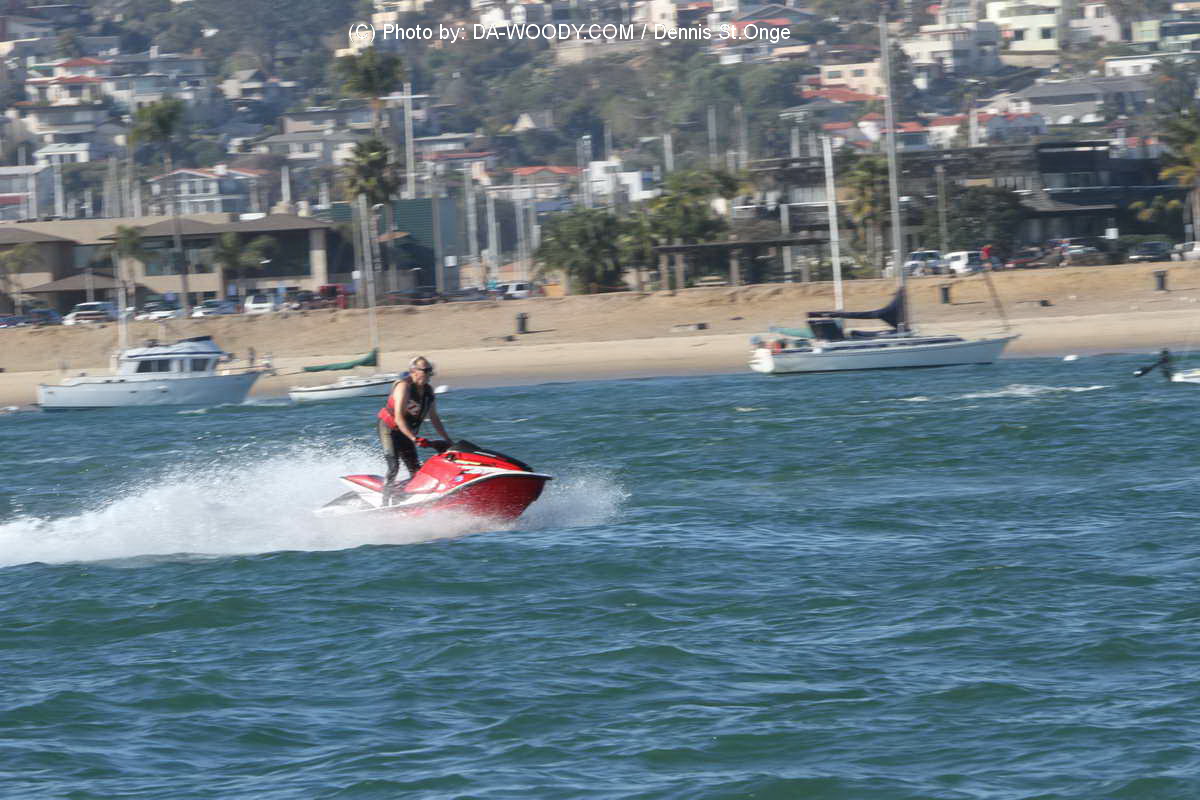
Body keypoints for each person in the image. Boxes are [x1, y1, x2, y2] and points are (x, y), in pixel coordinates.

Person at [377, 355, 451, 504]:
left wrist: (448, 441)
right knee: (394, 466)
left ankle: (404, 498)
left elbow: (434, 418)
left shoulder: (429, 391)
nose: (429, 374)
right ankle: (384, 503)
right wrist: (414, 438)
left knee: (416, 470)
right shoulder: (404, 387)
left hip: (405, 432)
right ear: (413, 371)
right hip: (389, 429)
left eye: (430, 370)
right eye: (425, 370)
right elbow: (399, 417)